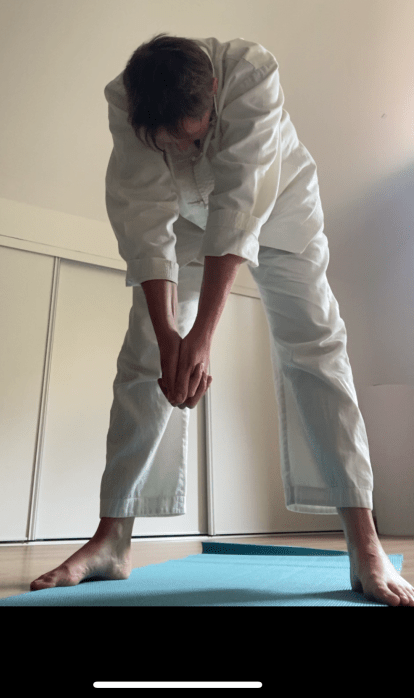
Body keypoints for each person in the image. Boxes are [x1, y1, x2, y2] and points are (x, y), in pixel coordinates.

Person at [31, 34, 414, 606]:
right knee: (143, 353)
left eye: (194, 137)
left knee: (316, 347)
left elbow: (239, 204)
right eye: (169, 145)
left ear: (212, 90)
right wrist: (168, 336)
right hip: (185, 221)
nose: (186, 152)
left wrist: (202, 337)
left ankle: (364, 542)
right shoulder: (127, 100)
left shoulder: (253, 74)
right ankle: (112, 539)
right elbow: (142, 217)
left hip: (280, 208)